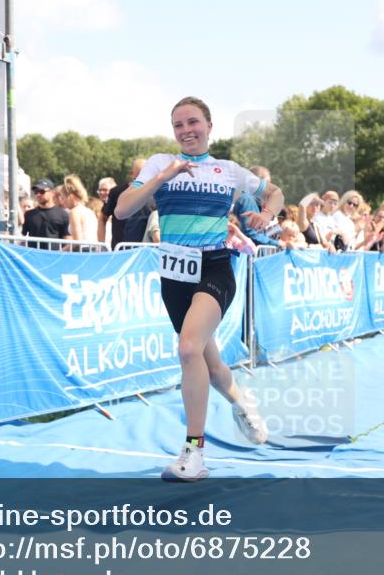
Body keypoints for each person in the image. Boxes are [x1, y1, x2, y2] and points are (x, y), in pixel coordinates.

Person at [116, 96, 284, 482]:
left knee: (188, 347)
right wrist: (162, 178)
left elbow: (274, 193)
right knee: (209, 364)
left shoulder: (229, 171)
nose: (186, 130)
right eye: (178, 125)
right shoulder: (161, 163)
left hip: (215, 267)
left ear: (209, 126)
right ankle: (243, 402)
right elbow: (123, 209)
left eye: (193, 122)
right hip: (175, 273)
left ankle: (194, 453)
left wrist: (267, 213)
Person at [21, 178, 70, 248]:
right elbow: (23, 236)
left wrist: (61, 253)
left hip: (54, 256)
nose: (38, 194)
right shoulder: (29, 214)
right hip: (33, 256)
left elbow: (68, 238)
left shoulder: (63, 214)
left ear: (52, 193)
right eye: (36, 191)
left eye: (42, 191)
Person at [63, 174, 98, 246]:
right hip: (94, 251)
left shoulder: (74, 212)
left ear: (71, 196)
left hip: (84, 253)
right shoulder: (89, 211)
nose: (63, 201)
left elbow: (77, 243)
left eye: (64, 197)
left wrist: (59, 252)